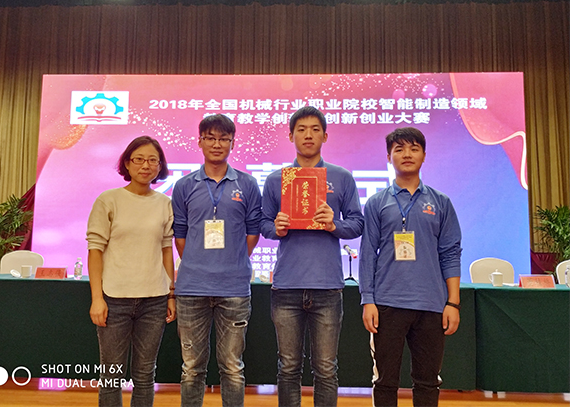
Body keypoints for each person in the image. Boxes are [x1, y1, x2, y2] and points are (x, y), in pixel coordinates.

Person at [260, 106, 364, 407]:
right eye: (302, 129)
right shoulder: (276, 179)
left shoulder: (341, 177)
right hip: (287, 286)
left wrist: (334, 225)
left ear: (325, 136)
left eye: (315, 129)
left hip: (327, 286)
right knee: (288, 367)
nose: (308, 135)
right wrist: (276, 227)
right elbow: (263, 224)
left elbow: (357, 224)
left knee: (326, 369)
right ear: (291, 136)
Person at [359, 127, 462, 407]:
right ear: (389, 157)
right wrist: (368, 300)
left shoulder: (440, 203)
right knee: (385, 381)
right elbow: (367, 254)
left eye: (414, 148)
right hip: (387, 304)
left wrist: (453, 302)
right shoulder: (377, 202)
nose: (407, 154)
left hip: (431, 304)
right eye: (399, 149)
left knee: (428, 381)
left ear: (424, 155)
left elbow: (450, 253)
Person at [172, 114, 262, 407]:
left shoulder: (247, 184)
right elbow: (181, 235)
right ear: (199, 141)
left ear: (233, 143)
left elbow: (252, 233)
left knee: (232, 367)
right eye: (210, 138)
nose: (217, 144)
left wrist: (232, 260)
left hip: (234, 288)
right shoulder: (184, 185)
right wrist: (198, 261)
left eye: (224, 139)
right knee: (191, 368)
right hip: (191, 288)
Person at [87, 135, 175, 407]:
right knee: (111, 374)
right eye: (138, 159)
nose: (145, 166)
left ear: (160, 166)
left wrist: (171, 294)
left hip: (154, 300)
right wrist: (97, 298)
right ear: (127, 163)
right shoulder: (108, 200)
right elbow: (95, 250)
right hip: (114, 299)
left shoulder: (164, 203)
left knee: (145, 374)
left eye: (152, 160)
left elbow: (166, 250)